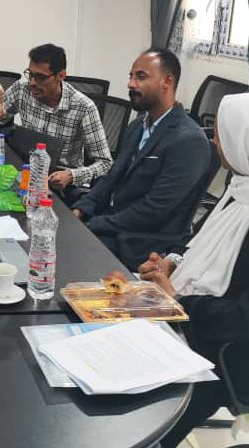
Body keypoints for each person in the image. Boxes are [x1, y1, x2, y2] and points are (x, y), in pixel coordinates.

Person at [137, 93, 249, 448]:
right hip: (193, 322)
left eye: (221, 135)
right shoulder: (239, 188)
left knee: (140, 416)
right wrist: (172, 262)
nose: (215, 142)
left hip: (224, 354)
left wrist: (177, 299)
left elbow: (242, 318)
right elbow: (198, 240)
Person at [71, 48, 211, 257]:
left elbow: (153, 210)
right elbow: (112, 176)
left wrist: (93, 224)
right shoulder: (138, 125)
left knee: (71, 252)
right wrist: (81, 209)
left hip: (143, 240)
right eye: (131, 76)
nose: (131, 84)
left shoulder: (189, 140)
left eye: (141, 77)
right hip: (115, 221)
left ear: (167, 81)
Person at [0, 44, 112, 200]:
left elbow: (105, 163)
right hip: (23, 172)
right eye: (30, 74)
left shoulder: (83, 107)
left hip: (58, 186)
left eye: (40, 77)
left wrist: (71, 176)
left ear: (61, 75)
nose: (32, 82)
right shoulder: (22, 89)